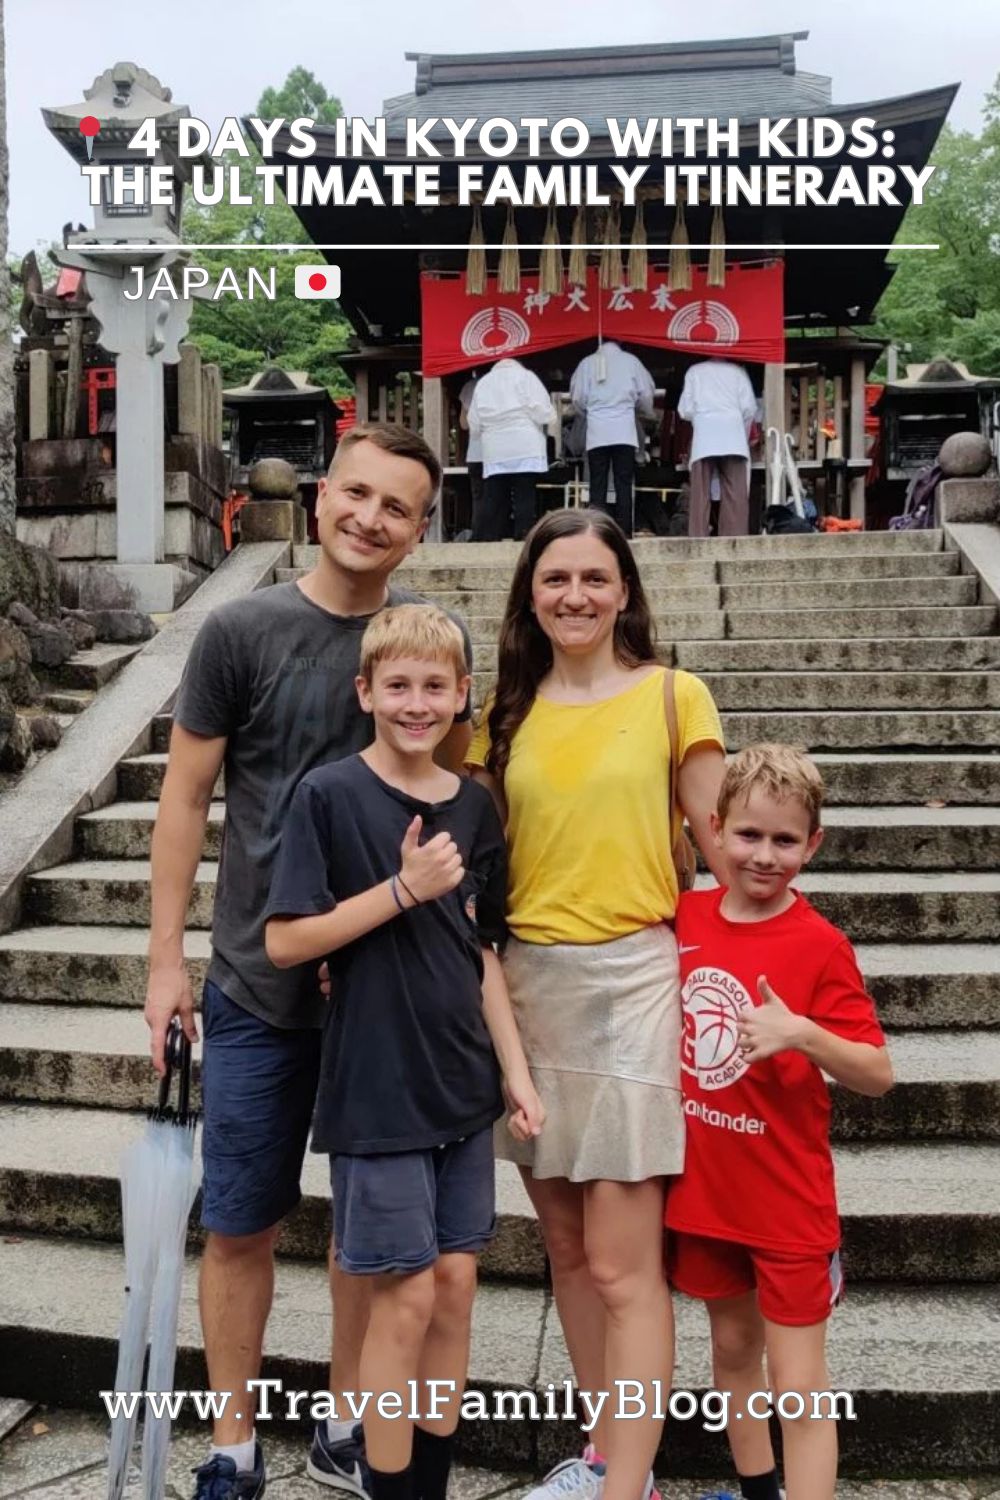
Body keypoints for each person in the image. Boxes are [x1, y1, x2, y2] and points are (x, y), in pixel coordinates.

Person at [144, 425, 475, 1500]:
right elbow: (185, 800)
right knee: (241, 1219)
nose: (370, 519)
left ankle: (346, 1420)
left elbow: (449, 801)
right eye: (358, 494)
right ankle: (233, 1442)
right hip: (256, 978)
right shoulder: (241, 631)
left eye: (398, 508)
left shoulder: (426, 645)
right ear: (323, 493)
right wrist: (164, 963)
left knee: (368, 1236)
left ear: (420, 529)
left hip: (385, 996)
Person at [466, 509, 728, 1500]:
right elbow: (478, 857)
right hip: (530, 990)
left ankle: (624, 1479)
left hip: (634, 986)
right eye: (555, 578)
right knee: (569, 1253)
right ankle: (608, 1458)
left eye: (593, 578)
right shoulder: (504, 713)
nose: (574, 596)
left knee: (624, 1266)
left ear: (624, 592)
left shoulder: (673, 696)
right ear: (530, 594)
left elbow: (723, 849)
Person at [264, 603, 544, 1500]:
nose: (416, 704)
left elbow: (481, 954)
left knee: (456, 1285)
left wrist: (516, 1072)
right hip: (378, 1086)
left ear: (462, 695)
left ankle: (428, 1483)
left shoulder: (474, 805)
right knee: (406, 1293)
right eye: (398, 686)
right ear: (365, 692)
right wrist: (402, 888)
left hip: (462, 1080)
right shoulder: (328, 796)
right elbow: (286, 941)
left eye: (434, 686)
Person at [666, 744, 893, 1500]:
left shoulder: (821, 945)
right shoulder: (686, 918)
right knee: (733, 1351)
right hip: (706, 1195)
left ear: (813, 844)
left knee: (798, 1384)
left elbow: (877, 1073)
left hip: (788, 1204)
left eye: (785, 840)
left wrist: (804, 1034)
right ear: (715, 828)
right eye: (749, 835)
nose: (765, 856)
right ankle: (759, 1491)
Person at [570, 340, 656, 538]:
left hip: (597, 430)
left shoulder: (586, 363)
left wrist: (588, 412)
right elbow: (646, 394)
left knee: (597, 483)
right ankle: (625, 531)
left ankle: (597, 532)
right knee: (623, 482)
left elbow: (577, 398)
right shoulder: (632, 361)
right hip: (624, 430)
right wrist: (641, 410)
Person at [468, 357, 554, 541]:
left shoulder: (484, 383)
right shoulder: (527, 377)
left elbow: (474, 423)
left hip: (495, 447)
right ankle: (523, 534)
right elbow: (544, 414)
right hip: (525, 444)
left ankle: (487, 537)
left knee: (494, 495)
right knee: (525, 493)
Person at [678, 359, 758, 538]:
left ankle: (698, 538)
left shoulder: (694, 370)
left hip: (705, 436)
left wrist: (702, 416)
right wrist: (742, 432)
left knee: (700, 493)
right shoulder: (738, 372)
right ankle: (734, 539)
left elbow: (685, 410)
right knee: (735, 495)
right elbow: (749, 408)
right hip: (733, 436)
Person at [458, 372, 486, 537]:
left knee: (478, 497)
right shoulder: (503, 383)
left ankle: (478, 535)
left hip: (476, 453)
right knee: (498, 497)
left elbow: (464, 423)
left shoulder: (469, 387)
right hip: (500, 454)